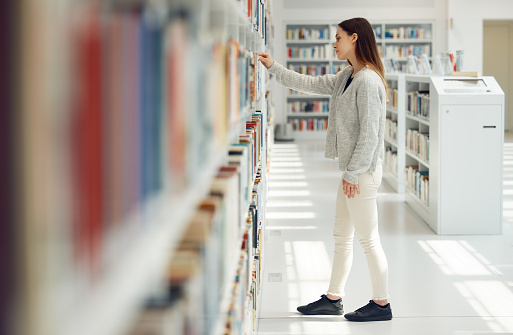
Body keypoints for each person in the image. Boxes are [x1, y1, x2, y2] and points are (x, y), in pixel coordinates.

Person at [258, 17, 392, 322]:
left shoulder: (368, 81)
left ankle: (382, 304)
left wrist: (353, 173)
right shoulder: (348, 75)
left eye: (338, 38)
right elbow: (310, 83)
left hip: (362, 173)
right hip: (352, 171)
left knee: (369, 240)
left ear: (355, 39)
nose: (334, 43)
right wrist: (273, 67)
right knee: (341, 237)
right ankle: (334, 298)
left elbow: (371, 134)